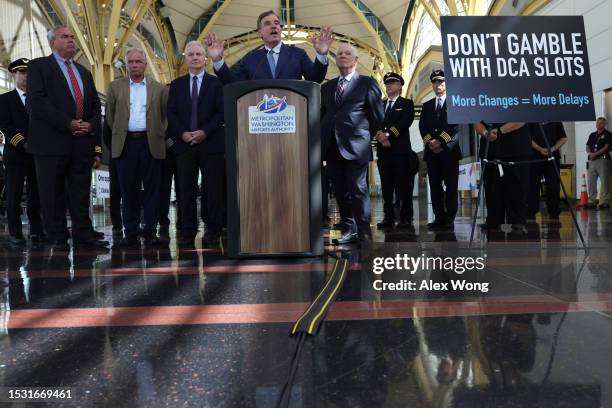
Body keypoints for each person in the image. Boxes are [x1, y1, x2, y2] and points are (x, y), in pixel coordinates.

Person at [26, 26, 105, 250]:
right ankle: (58, 236)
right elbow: (38, 102)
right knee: (52, 192)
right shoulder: (39, 67)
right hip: (51, 143)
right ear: (53, 43)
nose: (71, 40)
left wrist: (89, 124)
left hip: (81, 142)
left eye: (72, 36)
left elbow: (95, 104)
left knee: (80, 192)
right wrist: (67, 123)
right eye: (65, 37)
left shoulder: (84, 72)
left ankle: (83, 234)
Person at [321, 43, 384, 245]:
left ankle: (364, 232)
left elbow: (377, 116)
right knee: (340, 191)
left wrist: (364, 137)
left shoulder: (367, 83)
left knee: (358, 190)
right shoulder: (327, 87)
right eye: (339, 53)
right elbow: (322, 116)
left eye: (348, 53)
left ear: (356, 60)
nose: (342, 56)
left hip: (357, 147)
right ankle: (349, 228)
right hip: (332, 147)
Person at [105, 48, 168, 247]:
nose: (134, 65)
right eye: (130, 62)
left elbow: (165, 117)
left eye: (138, 62)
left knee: (152, 190)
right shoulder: (115, 87)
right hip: (126, 143)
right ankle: (130, 232)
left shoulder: (160, 89)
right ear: (126, 65)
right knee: (127, 190)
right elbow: (110, 116)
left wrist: (157, 133)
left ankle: (150, 231)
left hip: (151, 143)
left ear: (145, 64)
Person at [167, 41, 225, 247]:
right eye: (191, 54)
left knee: (213, 189)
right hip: (184, 145)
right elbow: (171, 113)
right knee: (185, 189)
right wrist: (182, 133)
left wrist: (204, 132)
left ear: (205, 58)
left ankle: (213, 229)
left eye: (199, 54)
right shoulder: (176, 85)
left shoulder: (216, 84)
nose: (195, 57)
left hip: (211, 144)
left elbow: (222, 113)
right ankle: (187, 230)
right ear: (186, 58)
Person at [205, 10, 333, 83]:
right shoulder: (251, 58)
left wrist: (322, 55)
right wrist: (217, 61)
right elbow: (232, 83)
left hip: (291, 120)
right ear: (260, 33)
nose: (274, 26)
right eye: (267, 24)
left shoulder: (298, 54)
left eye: (276, 23)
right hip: (260, 122)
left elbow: (315, 79)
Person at [0, 58, 45, 246]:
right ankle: (16, 233)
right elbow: (5, 126)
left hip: (37, 154)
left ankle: (36, 231)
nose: (26, 76)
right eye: (22, 72)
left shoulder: (40, 100)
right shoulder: (4, 99)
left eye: (29, 73)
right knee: (14, 195)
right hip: (16, 154)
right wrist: (23, 143)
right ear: (14, 74)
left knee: (36, 195)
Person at [419, 70, 460, 230]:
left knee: (451, 187)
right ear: (432, 85)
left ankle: (449, 218)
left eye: (441, 82)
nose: (438, 85)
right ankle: (438, 217)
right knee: (435, 187)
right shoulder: (427, 105)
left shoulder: (454, 102)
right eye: (435, 82)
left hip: (449, 153)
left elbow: (455, 127)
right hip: (432, 154)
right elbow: (422, 126)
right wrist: (431, 142)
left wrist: (440, 142)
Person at [474, 122, 530, 234]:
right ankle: (494, 220)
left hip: (515, 147)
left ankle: (517, 221)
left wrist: (499, 131)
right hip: (490, 148)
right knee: (492, 187)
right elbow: (475, 120)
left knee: (516, 187)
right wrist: (485, 133)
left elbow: (522, 117)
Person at [376, 72, 415, 229]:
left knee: (403, 186)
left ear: (399, 86)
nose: (388, 85)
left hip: (400, 152)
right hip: (384, 153)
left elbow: (405, 122)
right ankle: (389, 217)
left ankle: (405, 218)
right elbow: (374, 122)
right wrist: (379, 135)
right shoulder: (380, 105)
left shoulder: (406, 103)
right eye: (387, 83)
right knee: (386, 186)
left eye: (392, 83)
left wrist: (387, 135)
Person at [527, 122, 567, 221]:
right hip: (534, 156)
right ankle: (531, 211)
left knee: (553, 184)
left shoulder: (555, 120)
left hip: (553, 155)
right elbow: (528, 139)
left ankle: (554, 210)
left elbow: (563, 138)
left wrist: (552, 149)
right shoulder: (531, 121)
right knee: (533, 184)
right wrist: (540, 149)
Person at [586, 117, 611, 208]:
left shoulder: (608, 134)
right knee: (591, 181)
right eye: (597, 123)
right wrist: (590, 153)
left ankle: (605, 201)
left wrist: (596, 154)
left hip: (603, 160)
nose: (598, 124)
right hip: (592, 160)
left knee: (604, 180)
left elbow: (607, 147)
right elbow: (587, 146)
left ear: (604, 124)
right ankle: (592, 200)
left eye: (600, 123)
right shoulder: (592, 135)